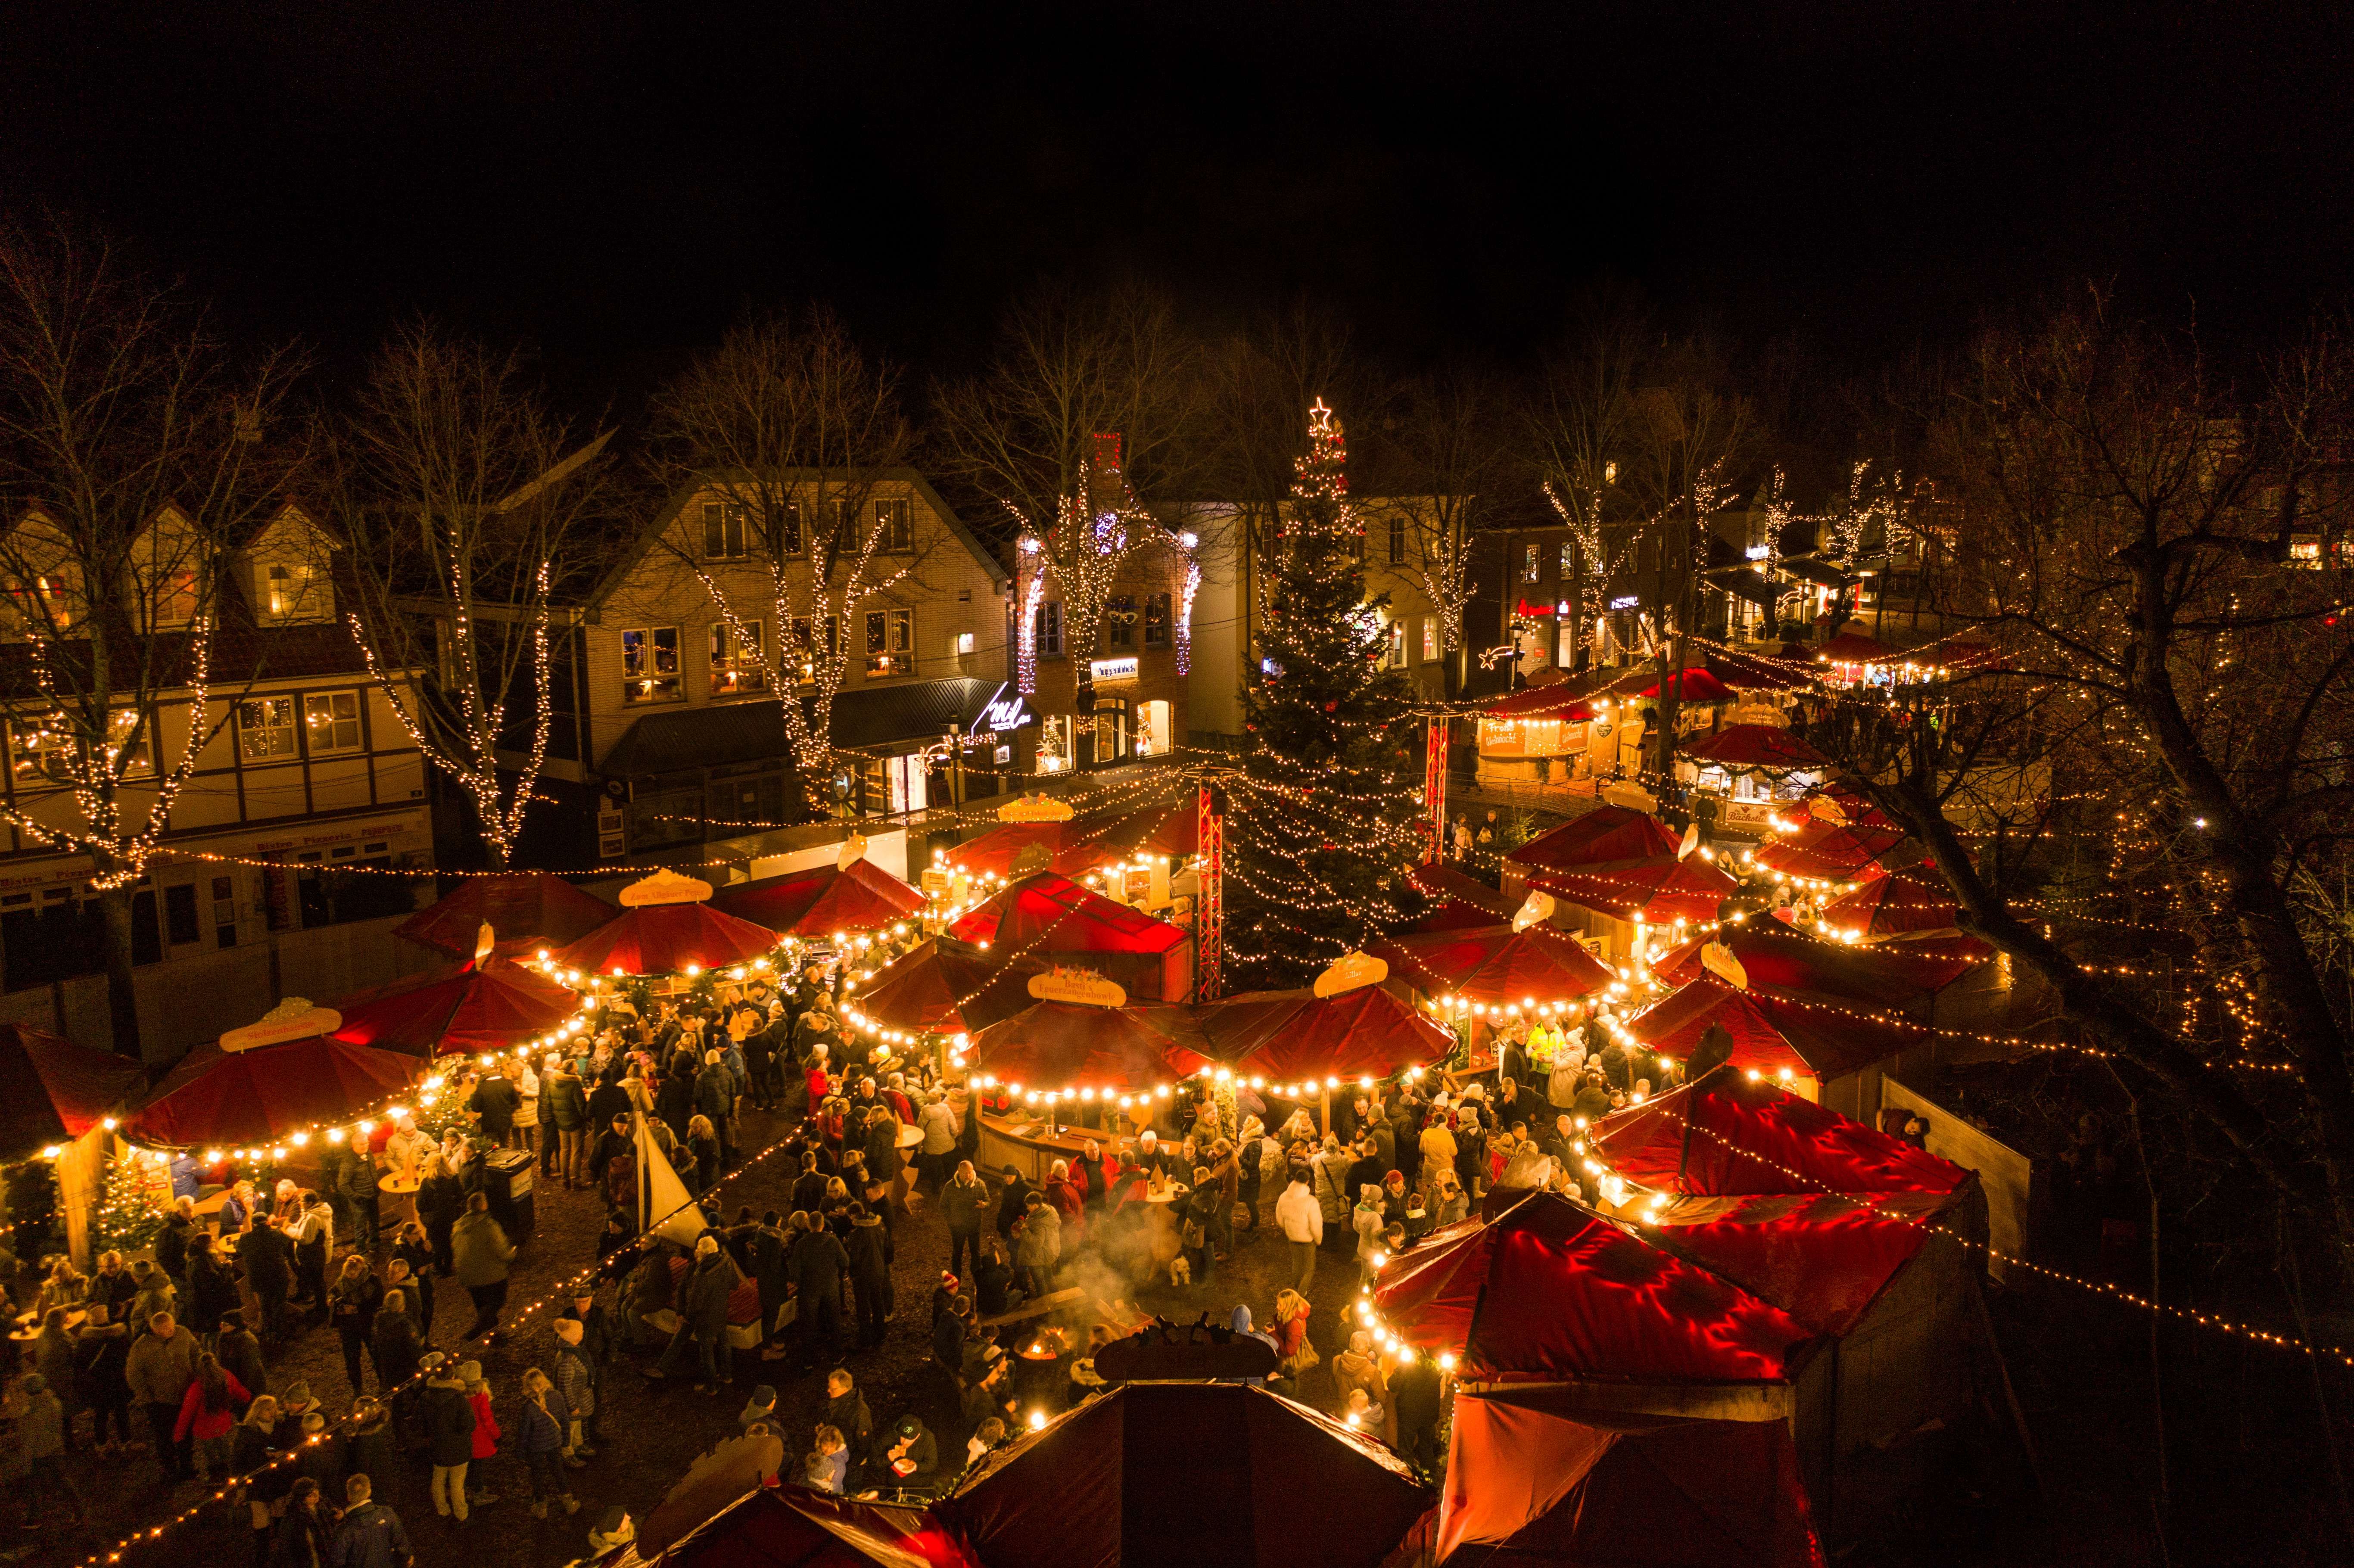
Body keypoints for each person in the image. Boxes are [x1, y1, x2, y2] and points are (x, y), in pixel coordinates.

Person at [649, 1233, 741, 1394]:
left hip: (702, 1318)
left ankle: (711, 1386)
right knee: (724, 1343)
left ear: (702, 1253)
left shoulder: (701, 1274)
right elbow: (734, 1284)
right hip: (720, 1312)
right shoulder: (726, 1262)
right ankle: (727, 1376)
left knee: (707, 1352)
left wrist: (686, 1316)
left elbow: (695, 1302)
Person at [128, 1309, 201, 1481]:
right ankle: (170, 1470)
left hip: (185, 1395)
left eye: (173, 1326)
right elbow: (134, 1375)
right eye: (168, 1329)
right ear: (156, 1330)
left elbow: (195, 1353)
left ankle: (187, 1467)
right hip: (161, 1401)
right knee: (164, 1438)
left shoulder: (183, 1333)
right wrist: (147, 1398)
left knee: (186, 1434)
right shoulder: (141, 1347)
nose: (172, 1331)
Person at [419, 1354, 477, 1523]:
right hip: (459, 1448)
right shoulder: (459, 1399)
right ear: (452, 1376)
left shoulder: (425, 1398)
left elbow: (419, 1423)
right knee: (457, 1484)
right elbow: (470, 1424)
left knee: (438, 1480)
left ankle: (442, 1509)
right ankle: (461, 1514)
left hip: (438, 1447)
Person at [233, 1396, 290, 1566]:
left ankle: (282, 1551)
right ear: (258, 1412)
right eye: (268, 1409)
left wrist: (277, 1453)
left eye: (274, 1408)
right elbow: (237, 1461)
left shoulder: (280, 1426)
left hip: (277, 1481)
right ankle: (263, 1554)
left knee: (280, 1514)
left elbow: (277, 1445)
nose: (272, 1413)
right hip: (257, 1483)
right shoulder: (246, 1433)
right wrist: (241, 1486)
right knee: (260, 1519)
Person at [174, 1350, 249, 1481]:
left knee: (210, 1454)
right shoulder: (226, 1377)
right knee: (226, 1448)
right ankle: (231, 1473)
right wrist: (248, 1398)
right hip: (223, 1424)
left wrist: (179, 1433)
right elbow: (239, 1390)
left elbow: (187, 1412)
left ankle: (216, 1476)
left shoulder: (197, 1388)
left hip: (204, 1430)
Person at [515, 1367, 579, 1519]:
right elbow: (564, 1420)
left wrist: (520, 1451)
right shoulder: (557, 1396)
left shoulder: (529, 1407)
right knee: (558, 1471)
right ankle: (569, 1502)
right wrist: (565, 1441)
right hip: (555, 1443)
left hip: (536, 1447)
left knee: (537, 1475)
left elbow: (524, 1433)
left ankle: (541, 1507)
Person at [450, 1192, 514, 1343]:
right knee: (496, 1302)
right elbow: (501, 1251)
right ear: (484, 1205)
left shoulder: (458, 1226)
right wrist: (511, 1255)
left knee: (483, 1307)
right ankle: (478, 1330)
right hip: (492, 1276)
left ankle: (495, 1338)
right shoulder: (489, 1226)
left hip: (468, 1277)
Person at [74, 1301, 134, 1453]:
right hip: (118, 1382)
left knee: (101, 1415)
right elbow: (129, 1357)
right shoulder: (120, 1336)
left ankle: (101, 1444)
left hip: (98, 1385)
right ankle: (125, 1442)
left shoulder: (85, 1341)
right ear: (107, 1317)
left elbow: (80, 1364)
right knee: (122, 1412)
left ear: (91, 1321)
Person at [792, 1211, 850, 1369]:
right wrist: (837, 1275)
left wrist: (801, 1283)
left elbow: (795, 1271)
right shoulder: (833, 1242)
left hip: (809, 1290)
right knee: (834, 1320)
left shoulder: (801, 1245)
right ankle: (837, 1355)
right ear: (823, 1225)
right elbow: (845, 1260)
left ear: (809, 1225)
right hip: (831, 1287)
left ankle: (809, 1360)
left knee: (809, 1324)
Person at [330, 1254, 386, 1396]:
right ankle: (358, 1389)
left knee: (377, 1353)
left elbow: (378, 1302)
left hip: (368, 1323)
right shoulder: (342, 1281)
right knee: (352, 1358)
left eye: (353, 1274)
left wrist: (356, 1309)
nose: (350, 1276)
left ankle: (384, 1383)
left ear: (360, 1270)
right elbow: (333, 1292)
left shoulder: (373, 1280)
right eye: (348, 1274)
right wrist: (331, 1300)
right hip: (348, 1327)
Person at [330, 1473, 412, 1568]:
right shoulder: (387, 1514)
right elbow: (401, 1545)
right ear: (369, 1492)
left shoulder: (343, 1530)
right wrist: (406, 1557)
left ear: (349, 1496)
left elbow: (336, 1562)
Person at [846, 1202, 893, 1350]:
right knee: (877, 1301)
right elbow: (886, 1246)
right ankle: (880, 1333)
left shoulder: (858, 1234)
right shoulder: (879, 1226)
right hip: (878, 1271)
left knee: (863, 1306)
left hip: (863, 1275)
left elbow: (854, 1257)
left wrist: (852, 1272)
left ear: (853, 1216)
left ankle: (865, 1339)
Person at [823, 1369, 873, 1486]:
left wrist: (850, 1466)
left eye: (833, 1389)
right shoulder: (837, 1403)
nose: (828, 1391)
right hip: (836, 1459)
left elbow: (865, 1444)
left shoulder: (860, 1411)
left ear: (845, 1389)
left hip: (849, 1466)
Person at [1276, 1174, 1321, 1291]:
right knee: (1308, 1270)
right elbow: (1315, 1224)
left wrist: (1288, 1230)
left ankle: (1297, 1288)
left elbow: (1280, 1219)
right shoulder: (1311, 1201)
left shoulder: (1283, 1197)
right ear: (1307, 1182)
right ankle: (1299, 1296)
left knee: (1297, 1264)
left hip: (1292, 1238)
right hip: (1308, 1240)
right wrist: (1318, 1239)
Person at [881, 1412, 936, 1486]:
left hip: (917, 1486)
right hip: (894, 1486)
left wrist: (916, 1467)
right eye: (903, 1437)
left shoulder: (928, 1438)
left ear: (918, 1436)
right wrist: (888, 1459)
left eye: (910, 1439)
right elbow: (874, 1461)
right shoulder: (892, 1436)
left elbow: (932, 1464)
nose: (905, 1442)